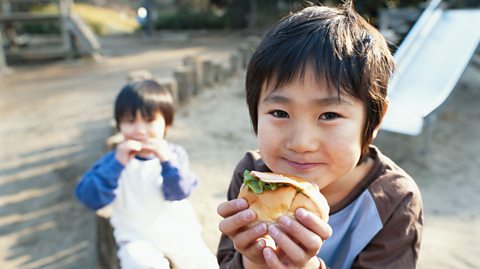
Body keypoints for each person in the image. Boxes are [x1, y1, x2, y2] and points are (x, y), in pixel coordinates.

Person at [216, 2, 423, 269]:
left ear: (374, 120)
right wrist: (253, 262)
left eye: (329, 115)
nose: (301, 143)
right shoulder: (252, 177)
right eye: (279, 113)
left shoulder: (393, 202)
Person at [75, 80, 218, 269]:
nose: (140, 130)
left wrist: (166, 162)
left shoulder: (174, 154)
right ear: (119, 125)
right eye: (130, 121)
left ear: (166, 123)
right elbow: (89, 197)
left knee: (207, 264)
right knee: (139, 262)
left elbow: (179, 192)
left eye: (150, 120)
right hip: (136, 238)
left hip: (180, 233)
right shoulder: (113, 160)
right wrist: (117, 164)